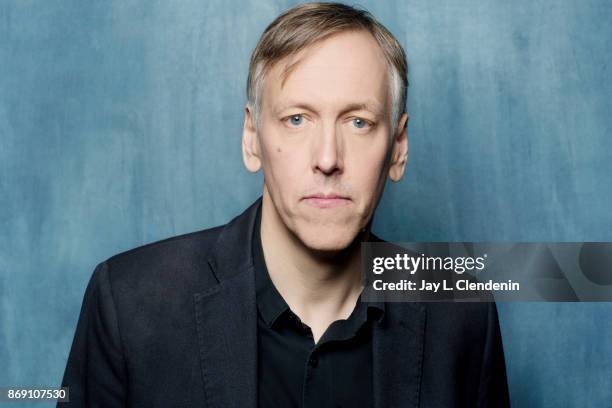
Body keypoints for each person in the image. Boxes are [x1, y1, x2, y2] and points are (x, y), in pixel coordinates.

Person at [58, 2, 510, 407]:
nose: (328, 159)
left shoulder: (462, 311)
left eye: (358, 121)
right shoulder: (131, 301)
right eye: (297, 119)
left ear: (398, 147)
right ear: (252, 138)